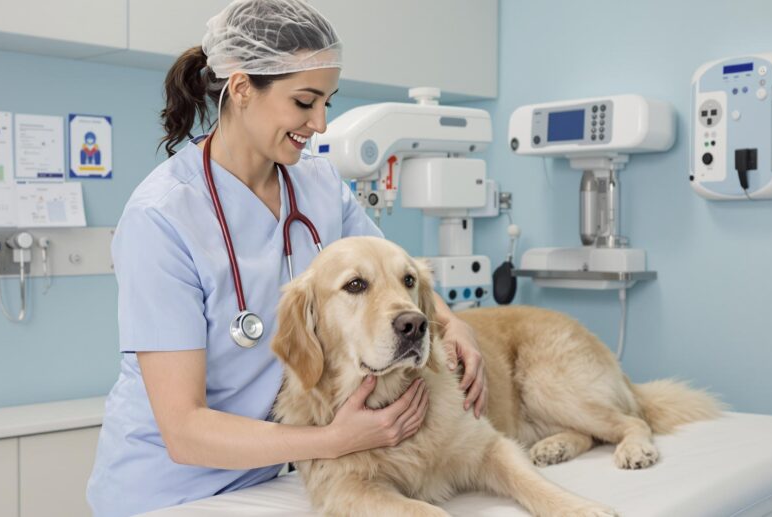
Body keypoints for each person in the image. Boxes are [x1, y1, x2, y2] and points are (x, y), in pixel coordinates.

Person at [86, 1, 487, 515]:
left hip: (265, 474)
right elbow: (184, 430)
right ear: (242, 88)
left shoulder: (319, 186)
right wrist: (334, 439)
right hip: (166, 490)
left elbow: (393, 273)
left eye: (327, 103)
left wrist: (454, 325)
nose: (319, 124)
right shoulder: (161, 217)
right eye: (304, 101)